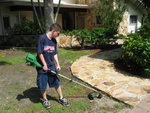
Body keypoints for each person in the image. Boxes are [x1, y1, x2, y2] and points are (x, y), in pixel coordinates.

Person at [36, 23, 69, 109]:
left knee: (56, 82)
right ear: (54, 31)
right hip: (42, 67)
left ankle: (61, 98)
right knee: (43, 84)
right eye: (58, 33)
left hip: (51, 66)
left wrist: (57, 64)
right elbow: (40, 53)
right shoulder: (42, 38)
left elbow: (54, 53)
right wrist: (44, 65)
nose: (58, 35)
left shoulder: (54, 41)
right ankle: (45, 100)